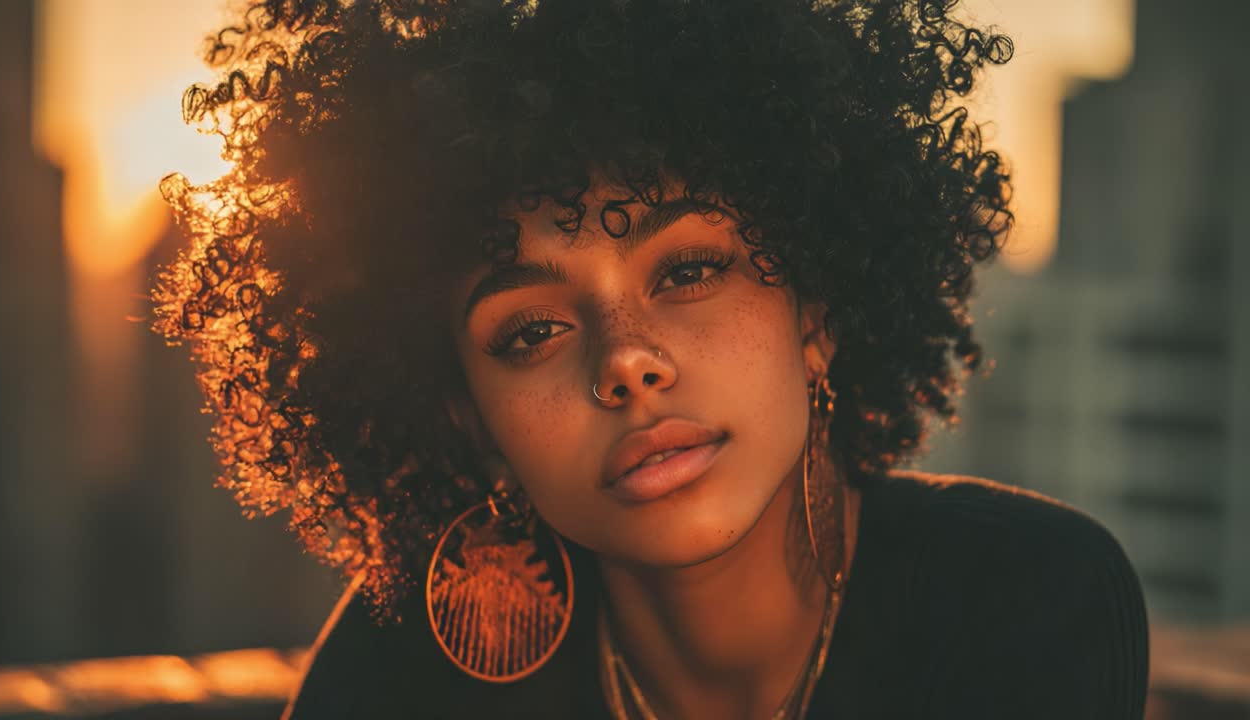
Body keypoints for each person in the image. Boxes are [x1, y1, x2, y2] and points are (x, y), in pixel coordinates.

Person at [151, 0, 1149, 717]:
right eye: (530, 332)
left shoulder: (1023, 600)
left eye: (686, 271)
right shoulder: (402, 674)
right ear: (470, 418)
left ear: (817, 314)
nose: (625, 362)